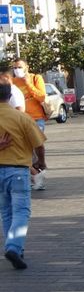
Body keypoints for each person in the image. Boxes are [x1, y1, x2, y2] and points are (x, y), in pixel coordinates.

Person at [0, 83, 46, 269]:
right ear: (10, 96)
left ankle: (15, 248)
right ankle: (14, 246)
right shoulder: (22, 117)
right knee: (21, 211)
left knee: (6, 212)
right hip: (18, 170)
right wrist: (41, 163)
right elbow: (39, 144)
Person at [11, 58, 47, 190]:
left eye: (19, 67)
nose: (17, 70)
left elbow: (42, 96)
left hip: (36, 118)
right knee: (26, 149)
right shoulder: (13, 82)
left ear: (27, 67)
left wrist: (28, 85)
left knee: (37, 146)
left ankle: (40, 169)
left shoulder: (35, 78)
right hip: (20, 119)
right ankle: (35, 176)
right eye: (15, 67)